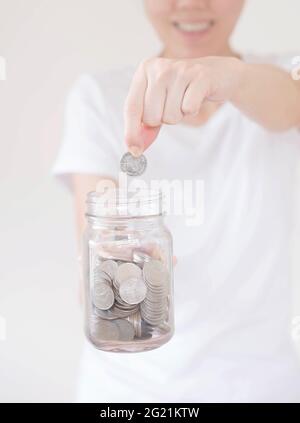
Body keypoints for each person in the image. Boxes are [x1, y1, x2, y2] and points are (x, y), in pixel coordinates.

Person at [52, 0, 300, 402]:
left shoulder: (287, 71)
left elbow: (291, 102)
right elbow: (94, 225)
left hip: (261, 387)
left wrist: (231, 78)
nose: (190, 3)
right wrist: (114, 252)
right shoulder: (98, 95)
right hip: (124, 390)